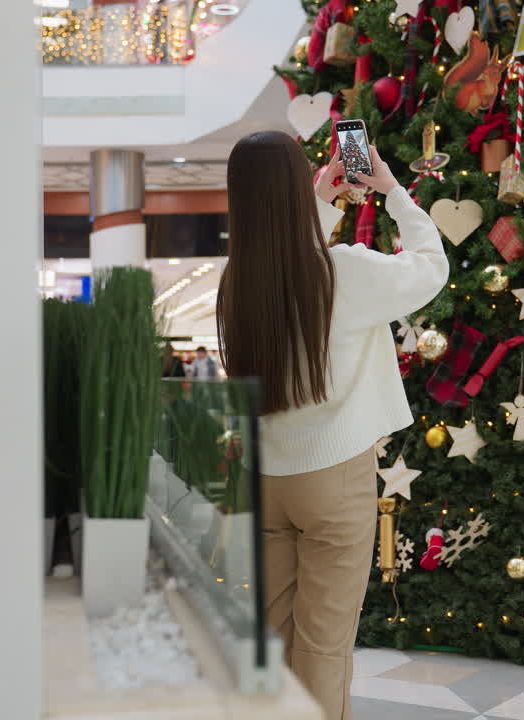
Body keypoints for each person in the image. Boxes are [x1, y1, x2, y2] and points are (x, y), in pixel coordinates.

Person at [216, 131, 447, 719]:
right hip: (334, 476)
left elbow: (287, 263)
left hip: (267, 480)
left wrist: (320, 203)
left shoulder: (236, 286)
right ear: (295, 189)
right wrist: (393, 191)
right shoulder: (342, 271)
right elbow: (428, 269)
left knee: (275, 637)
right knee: (322, 644)